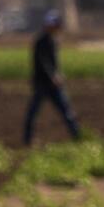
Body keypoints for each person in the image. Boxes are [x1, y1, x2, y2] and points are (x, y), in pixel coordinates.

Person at [23, 9, 81, 145]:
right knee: (33, 112)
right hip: (43, 84)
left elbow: (54, 63)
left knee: (67, 111)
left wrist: (57, 74)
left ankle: (78, 137)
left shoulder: (52, 40)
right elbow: (43, 63)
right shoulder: (41, 41)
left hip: (53, 84)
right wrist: (53, 76)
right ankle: (27, 139)